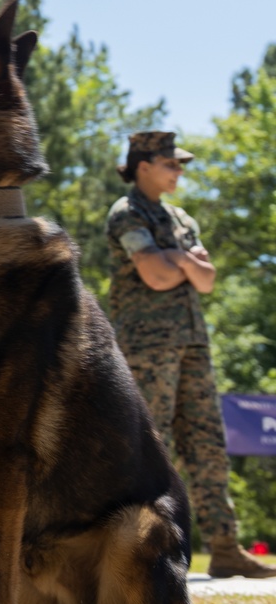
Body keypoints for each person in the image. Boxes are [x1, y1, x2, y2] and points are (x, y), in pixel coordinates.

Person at [106, 131, 275, 579]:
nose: (179, 171)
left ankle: (224, 546)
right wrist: (184, 260)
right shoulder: (128, 213)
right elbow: (156, 276)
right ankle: (137, 547)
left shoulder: (179, 217)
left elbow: (208, 280)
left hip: (193, 344)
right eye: (171, 164)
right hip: (148, 346)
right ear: (144, 164)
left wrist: (175, 258)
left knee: (207, 444)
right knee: (149, 443)